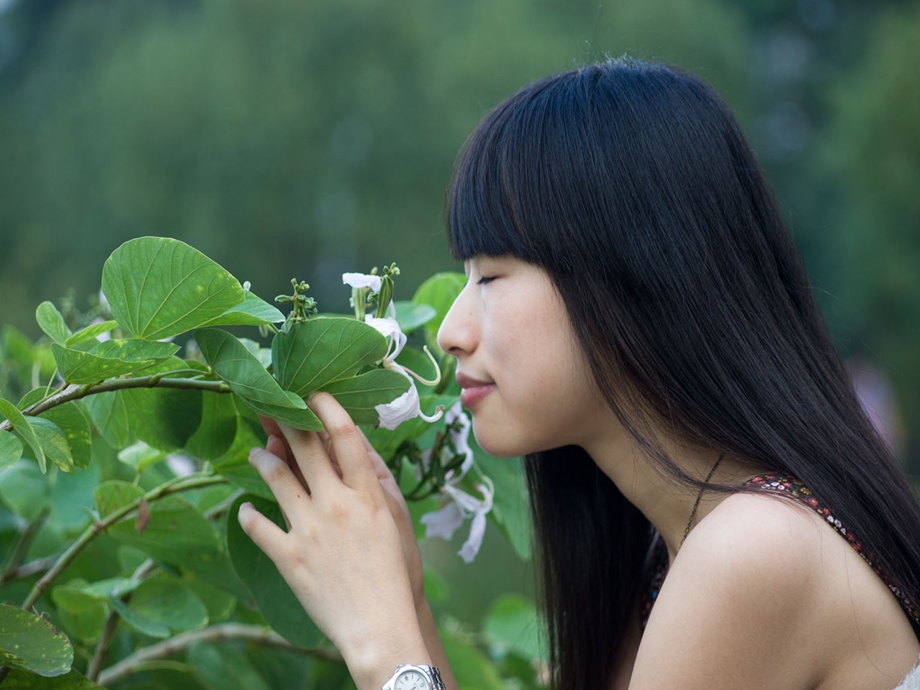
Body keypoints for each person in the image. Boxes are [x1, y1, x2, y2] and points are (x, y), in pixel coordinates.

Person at [237, 58, 920, 689]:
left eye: (493, 275)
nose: (450, 331)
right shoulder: (674, 552)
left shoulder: (753, 552)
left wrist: (382, 643)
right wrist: (406, 599)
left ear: (633, 276)